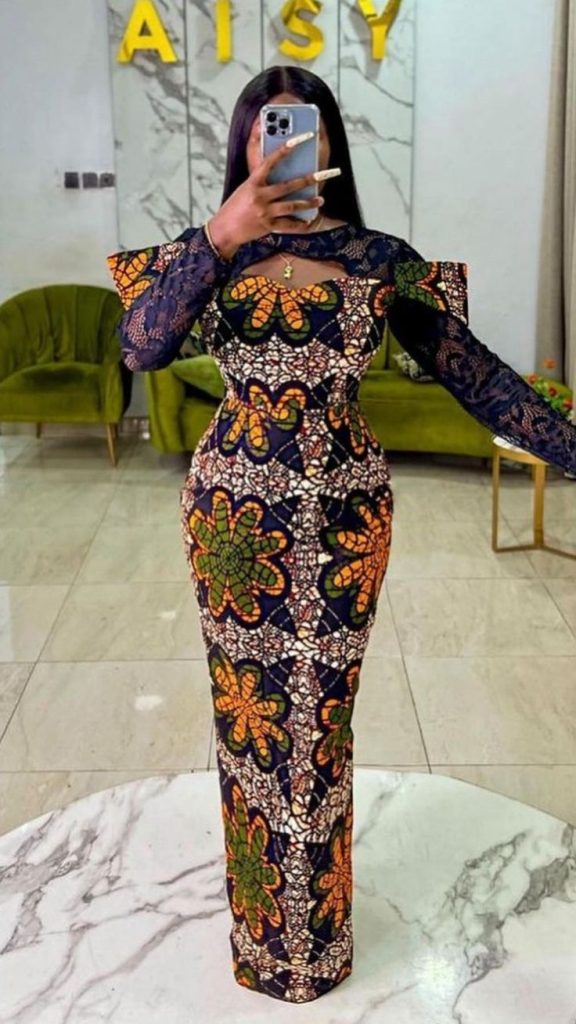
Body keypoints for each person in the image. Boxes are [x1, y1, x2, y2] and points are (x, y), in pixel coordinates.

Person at [107, 65, 576, 1005]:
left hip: (346, 518)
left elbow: (475, 375)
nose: (285, 142)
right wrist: (222, 234)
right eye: (267, 127)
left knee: (320, 720)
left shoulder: (378, 258)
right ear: (244, 142)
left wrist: (569, 446)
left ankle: (314, 943)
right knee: (247, 716)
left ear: (329, 146)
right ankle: (261, 938)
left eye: (306, 127)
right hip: (232, 524)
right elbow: (140, 346)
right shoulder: (206, 253)